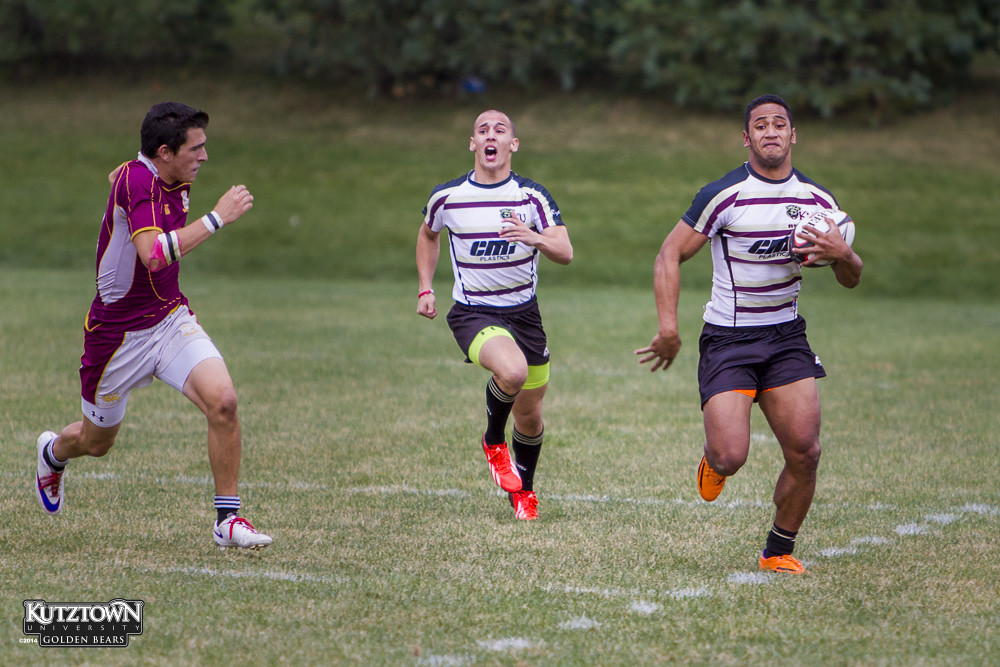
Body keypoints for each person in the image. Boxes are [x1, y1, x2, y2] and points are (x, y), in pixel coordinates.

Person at [635, 94, 863, 573]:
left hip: (785, 337)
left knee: (806, 450)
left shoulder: (819, 203)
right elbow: (668, 254)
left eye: (780, 124)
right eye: (760, 125)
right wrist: (669, 328)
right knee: (731, 455)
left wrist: (844, 254)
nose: (771, 131)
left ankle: (777, 551)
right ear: (747, 138)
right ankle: (713, 461)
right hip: (729, 339)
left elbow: (851, 277)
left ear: (793, 134)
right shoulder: (724, 195)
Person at [34, 101, 272, 550]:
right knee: (96, 442)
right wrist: (218, 217)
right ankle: (52, 453)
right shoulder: (138, 179)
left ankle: (228, 520)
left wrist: (121, 190)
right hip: (116, 338)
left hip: (168, 320)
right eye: (195, 148)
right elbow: (154, 255)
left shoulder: (164, 175)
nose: (204, 157)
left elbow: (116, 179)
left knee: (223, 403)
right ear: (165, 151)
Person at [416, 110, 573, 520]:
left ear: (512, 145)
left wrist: (533, 236)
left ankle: (524, 492)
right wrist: (426, 287)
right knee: (513, 371)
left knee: (531, 414)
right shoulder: (447, 197)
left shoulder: (531, 197)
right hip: (474, 312)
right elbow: (428, 233)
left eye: (500, 130)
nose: (491, 136)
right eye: (482, 130)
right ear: (473, 143)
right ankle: (492, 440)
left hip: (525, 314)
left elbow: (566, 252)